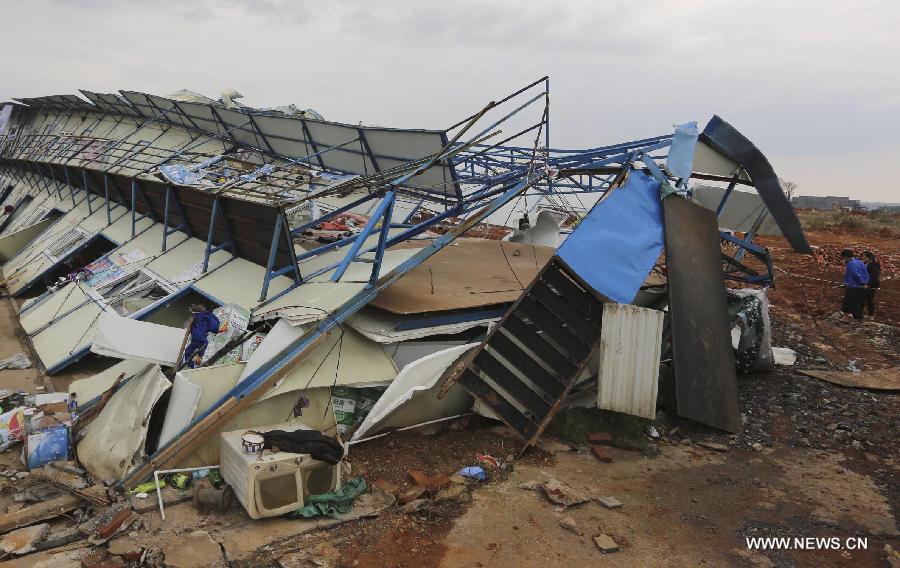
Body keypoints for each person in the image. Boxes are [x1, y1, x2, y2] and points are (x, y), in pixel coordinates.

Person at [840, 249, 869, 322]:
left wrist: (862, 282)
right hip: (859, 286)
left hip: (854, 287)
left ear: (846, 256)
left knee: (850, 303)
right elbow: (866, 273)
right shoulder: (860, 262)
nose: (843, 260)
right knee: (854, 302)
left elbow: (855, 274)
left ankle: (858, 319)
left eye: (843, 258)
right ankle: (848, 317)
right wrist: (865, 282)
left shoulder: (850, 263)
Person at [864, 251, 881, 317]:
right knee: (867, 299)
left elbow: (874, 276)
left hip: (871, 285)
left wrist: (867, 284)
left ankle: (870, 315)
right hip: (869, 284)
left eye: (865, 257)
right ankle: (870, 314)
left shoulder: (873, 265)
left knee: (868, 299)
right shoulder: (869, 264)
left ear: (869, 257)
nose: (864, 258)